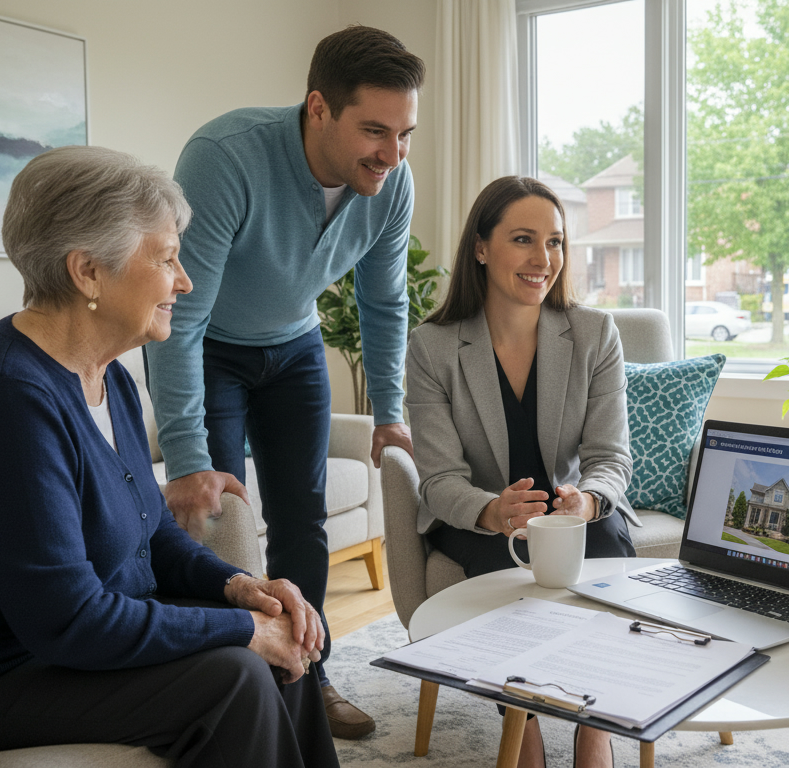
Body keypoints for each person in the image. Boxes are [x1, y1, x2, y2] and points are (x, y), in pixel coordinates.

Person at [0, 146, 337, 768]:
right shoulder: (6, 400)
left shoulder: (108, 376)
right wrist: (244, 631)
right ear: (87, 272)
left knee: (285, 645)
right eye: (167, 258)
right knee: (237, 676)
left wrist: (241, 589)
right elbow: (69, 620)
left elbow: (153, 533)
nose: (185, 280)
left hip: (67, 648)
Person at [143, 25, 425, 738]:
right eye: (374, 131)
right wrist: (185, 456)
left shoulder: (391, 187)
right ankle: (233, 681)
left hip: (295, 348)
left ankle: (311, 677)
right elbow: (180, 309)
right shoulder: (224, 158)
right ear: (318, 109)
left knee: (303, 521)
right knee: (223, 520)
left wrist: (389, 410)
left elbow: (384, 300)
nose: (392, 155)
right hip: (212, 349)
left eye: (405, 134)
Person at [405, 176, 637, 768]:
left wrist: (587, 500)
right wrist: (491, 509)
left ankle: (596, 725)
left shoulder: (593, 334)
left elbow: (611, 458)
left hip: (568, 510)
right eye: (524, 239)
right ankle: (524, 721)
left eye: (556, 242)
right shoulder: (432, 347)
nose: (544, 260)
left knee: (606, 538)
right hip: (479, 514)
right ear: (481, 247)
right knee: (503, 560)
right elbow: (438, 478)